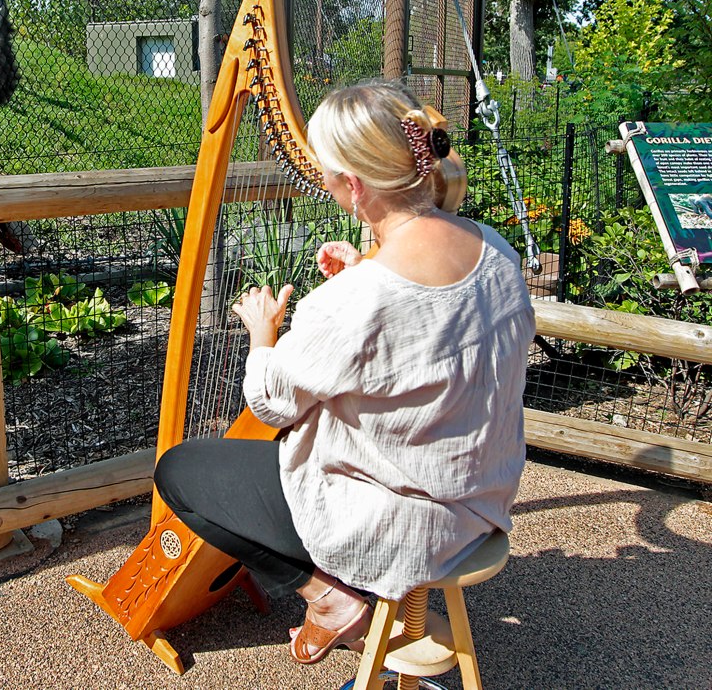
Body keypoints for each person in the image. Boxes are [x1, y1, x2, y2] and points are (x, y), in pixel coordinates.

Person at [153, 81, 536, 665]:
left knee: (182, 471)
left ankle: (328, 597)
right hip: (481, 497)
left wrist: (263, 333)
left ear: (354, 186)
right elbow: (431, 332)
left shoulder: (357, 300)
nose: (327, 187)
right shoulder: (497, 252)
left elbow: (272, 405)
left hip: (399, 519)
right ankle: (344, 597)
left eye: (327, 176)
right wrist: (363, 271)